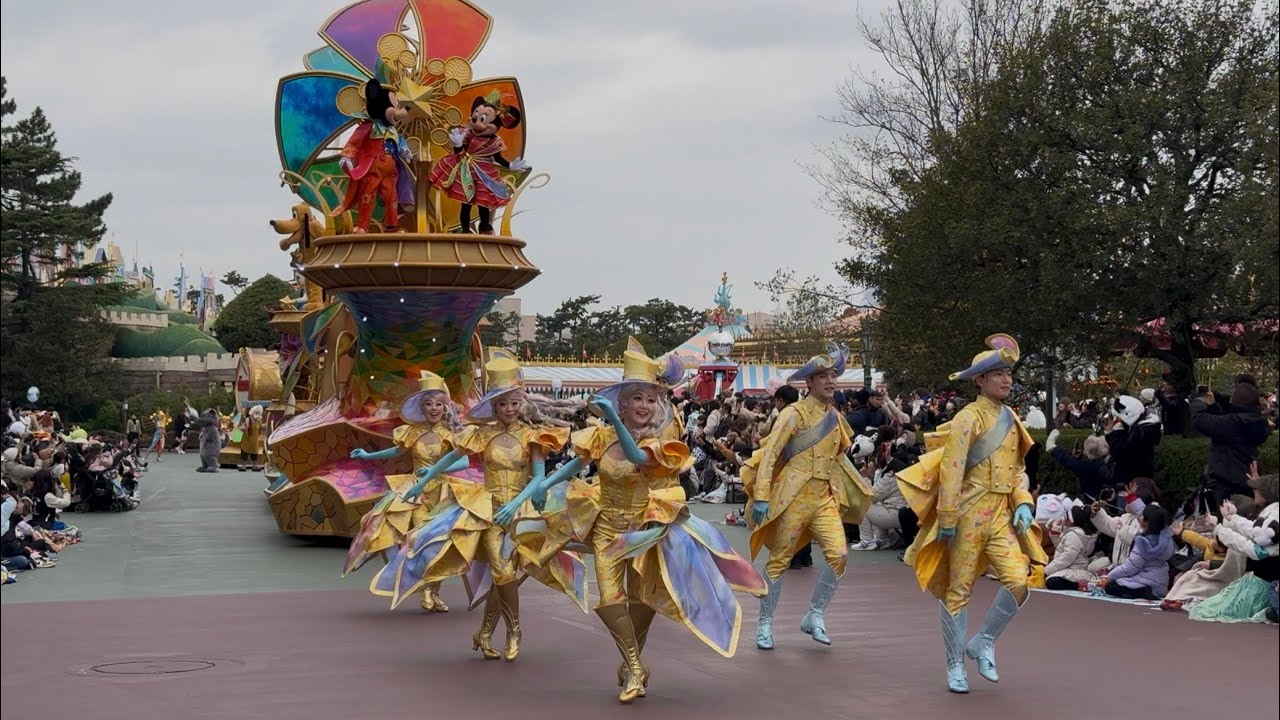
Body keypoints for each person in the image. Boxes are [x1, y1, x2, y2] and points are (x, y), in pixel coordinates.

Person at [495, 344, 764, 703]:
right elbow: (569, 469)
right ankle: (635, 668)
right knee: (609, 600)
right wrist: (534, 492)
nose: (643, 406)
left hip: (643, 532)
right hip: (606, 529)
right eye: (636, 398)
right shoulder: (600, 438)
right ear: (622, 402)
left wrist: (616, 422)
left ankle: (631, 663)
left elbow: (637, 458)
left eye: (650, 400)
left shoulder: (660, 443)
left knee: (641, 601)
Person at [382, 351, 583, 663]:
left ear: (522, 402)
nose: (509, 409)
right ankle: (514, 631)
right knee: (503, 573)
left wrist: (516, 503)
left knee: (507, 576)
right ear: (494, 405)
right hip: (489, 512)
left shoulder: (533, 435)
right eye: (502, 404)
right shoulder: (482, 434)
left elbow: (539, 478)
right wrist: (422, 483)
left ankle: (486, 631)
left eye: (514, 403)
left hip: (521, 513)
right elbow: (451, 458)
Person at [896, 334, 1044, 694]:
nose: (1006, 379)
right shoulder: (969, 417)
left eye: (1008, 372)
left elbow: (1018, 470)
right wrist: (946, 518)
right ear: (980, 380)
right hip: (966, 514)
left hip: (1000, 515)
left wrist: (1023, 502)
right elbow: (952, 469)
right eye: (997, 373)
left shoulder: (1011, 418)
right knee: (958, 591)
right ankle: (954, 666)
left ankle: (984, 641)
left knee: (1020, 581)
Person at [744, 344, 873, 650]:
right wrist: (762, 495)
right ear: (809, 383)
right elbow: (772, 452)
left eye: (833, 375)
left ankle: (814, 614)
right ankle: (764, 624)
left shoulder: (835, 416)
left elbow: (841, 459)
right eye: (822, 376)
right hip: (794, 496)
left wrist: (861, 489)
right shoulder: (794, 413)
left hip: (825, 497)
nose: (830, 381)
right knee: (780, 560)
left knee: (839, 555)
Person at [346, 371, 469, 612]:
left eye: (438, 404)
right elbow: (395, 452)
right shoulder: (412, 431)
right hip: (416, 493)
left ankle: (433, 592)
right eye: (428, 404)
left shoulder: (453, 434)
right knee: (418, 539)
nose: (433, 409)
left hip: (444, 494)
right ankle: (422, 589)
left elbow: (463, 463)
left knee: (439, 545)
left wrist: (434, 470)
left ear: (446, 408)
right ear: (422, 408)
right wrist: (368, 455)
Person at [1190, 375, 1272, 505]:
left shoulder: (1234, 423)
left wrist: (1198, 401)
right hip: (1246, 476)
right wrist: (1212, 406)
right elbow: (1222, 428)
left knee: (1228, 519)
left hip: (1227, 482)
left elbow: (1200, 420)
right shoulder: (1258, 422)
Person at [1099, 504, 1175, 600]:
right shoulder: (1167, 541)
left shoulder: (1143, 543)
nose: (1140, 517)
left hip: (1144, 583)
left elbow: (1129, 568)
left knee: (1111, 587)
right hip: (1160, 585)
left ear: (1146, 522)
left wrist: (1109, 577)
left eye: (1142, 516)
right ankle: (1136, 592)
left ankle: (1138, 592)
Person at [1104, 395, 1162, 487]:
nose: (1118, 421)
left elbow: (1118, 452)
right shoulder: (1144, 428)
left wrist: (1112, 433)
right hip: (1137, 481)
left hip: (1131, 485)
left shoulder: (1138, 433)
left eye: (1119, 418)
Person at [1042, 505, 1099, 591]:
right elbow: (1062, 549)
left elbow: (1067, 558)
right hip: (1073, 569)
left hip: (1073, 570)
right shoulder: (1076, 533)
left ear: (1071, 521)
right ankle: (1081, 585)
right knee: (1051, 580)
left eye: (1066, 517)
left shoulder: (1073, 535)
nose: (1064, 519)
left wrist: (1046, 570)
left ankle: (1081, 586)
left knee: (1052, 582)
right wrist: (1055, 534)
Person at [237, 405, 265, 472]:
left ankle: (254, 465)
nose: (258, 415)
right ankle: (243, 465)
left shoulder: (259, 421)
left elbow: (262, 427)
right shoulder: (248, 419)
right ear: (253, 413)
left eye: (259, 413)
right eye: (257, 413)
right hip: (247, 439)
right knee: (244, 452)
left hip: (255, 440)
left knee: (254, 453)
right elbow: (243, 427)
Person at [195, 409, 221, 473]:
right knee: (203, 455)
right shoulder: (206, 428)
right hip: (206, 446)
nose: (203, 419)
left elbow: (211, 434)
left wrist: (208, 438)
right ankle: (205, 466)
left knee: (209, 455)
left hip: (212, 446)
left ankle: (214, 466)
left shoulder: (212, 428)